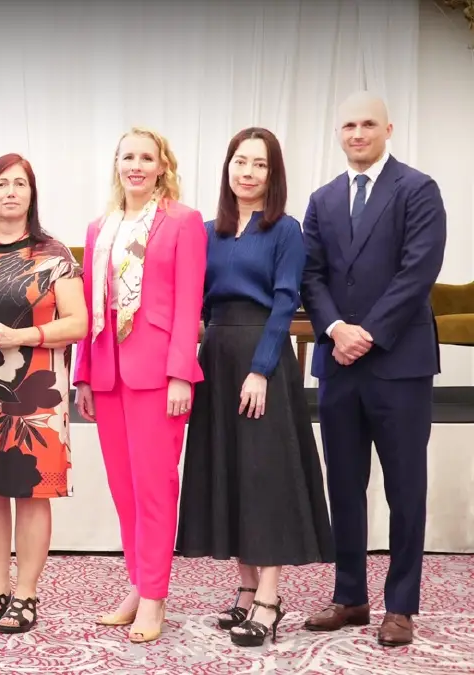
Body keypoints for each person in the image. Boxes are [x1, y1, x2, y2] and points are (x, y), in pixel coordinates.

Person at [176, 127, 334, 647]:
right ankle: (244, 590)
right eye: (240, 162)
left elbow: (287, 302)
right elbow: (192, 304)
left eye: (259, 165)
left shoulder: (286, 230)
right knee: (229, 471)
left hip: (260, 357)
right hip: (215, 356)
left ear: (273, 174)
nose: (247, 172)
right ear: (227, 168)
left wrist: (261, 369)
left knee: (265, 477)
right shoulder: (206, 230)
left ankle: (269, 596)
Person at [299, 91, 446, 647]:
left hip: (399, 363)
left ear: (388, 128)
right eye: (347, 126)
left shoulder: (417, 189)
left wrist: (370, 333)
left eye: (367, 124)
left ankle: (401, 604)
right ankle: (350, 595)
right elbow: (310, 276)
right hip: (338, 361)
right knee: (345, 484)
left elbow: (419, 269)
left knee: (406, 486)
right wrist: (336, 329)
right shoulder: (323, 198)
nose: (357, 134)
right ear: (339, 134)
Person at [73, 127, 207, 644]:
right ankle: (138, 582)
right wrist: (83, 373)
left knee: (154, 488)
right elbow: (90, 305)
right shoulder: (98, 228)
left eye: (145, 157)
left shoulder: (183, 222)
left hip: (157, 375)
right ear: (117, 164)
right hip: (107, 374)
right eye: (127, 156)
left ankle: (154, 596)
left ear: (161, 166)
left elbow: (189, 302)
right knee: (124, 490)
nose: (135, 165)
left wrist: (180, 372)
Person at [0, 153, 86, 635]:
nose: (11, 192)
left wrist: (19, 337)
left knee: (31, 493)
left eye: (20, 184)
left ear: (32, 195)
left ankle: (26, 593)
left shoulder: (53, 253)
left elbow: (78, 323)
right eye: (1, 184)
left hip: (37, 389)